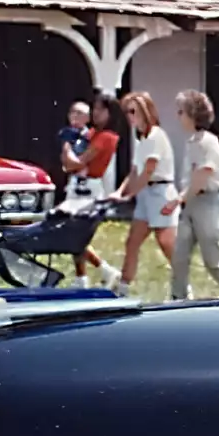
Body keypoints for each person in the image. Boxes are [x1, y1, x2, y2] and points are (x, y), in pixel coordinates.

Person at [167, 90, 219, 299]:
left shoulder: (207, 142)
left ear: (193, 115)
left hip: (207, 204)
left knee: (213, 261)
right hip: (191, 204)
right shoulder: (192, 141)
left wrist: (180, 198)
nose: (178, 116)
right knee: (179, 256)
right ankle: (179, 299)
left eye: (181, 112)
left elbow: (203, 174)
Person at [114, 90, 178, 296]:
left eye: (134, 111)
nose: (130, 116)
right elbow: (135, 171)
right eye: (128, 112)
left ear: (146, 112)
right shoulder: (142, 140)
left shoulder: (156, 136)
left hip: (160, 194)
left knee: (167, 244)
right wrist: (119, 192)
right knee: (132, 242)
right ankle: (123, 288)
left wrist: (131, 194)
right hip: (146, 195)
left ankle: (183, 288)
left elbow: (149, 171)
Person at [61, 93, 122, 289]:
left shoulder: (106, 137)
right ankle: (83, 277)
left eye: (101, 109)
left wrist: (67, 148)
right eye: (94, 108)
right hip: (78, 184)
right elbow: (68, 164)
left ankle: (104, 271)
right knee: (73, 233)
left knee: (76, 234)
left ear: (110, 113)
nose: (96, 113)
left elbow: (76, 162)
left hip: (89, 188)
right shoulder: (92, 133)